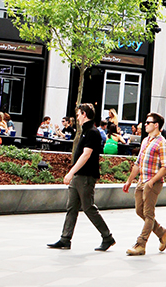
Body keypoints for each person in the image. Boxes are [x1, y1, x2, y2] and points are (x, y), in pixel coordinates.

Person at [47, 103, 115, 252]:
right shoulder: (86, 131)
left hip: (86, 176)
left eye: (78, 114)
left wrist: (70, 172)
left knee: (88, 207)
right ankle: (65, 238)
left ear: (84, 114)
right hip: (79, 176)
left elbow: (86, 154)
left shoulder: (92, 132)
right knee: (71, 207)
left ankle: (107, 236)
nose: (77, 117)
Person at [122, 112, 166, 255]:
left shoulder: (162, 143)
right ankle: (162, 232)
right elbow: (138, 163)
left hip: (153, 183)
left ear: (156, 125)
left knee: (148, 214)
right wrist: (129, 180)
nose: (145, 124)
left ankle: (141, 244)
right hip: (141, 181)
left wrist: (152, 181)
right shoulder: (145, 141)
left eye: (148, 122)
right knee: (139, 211)